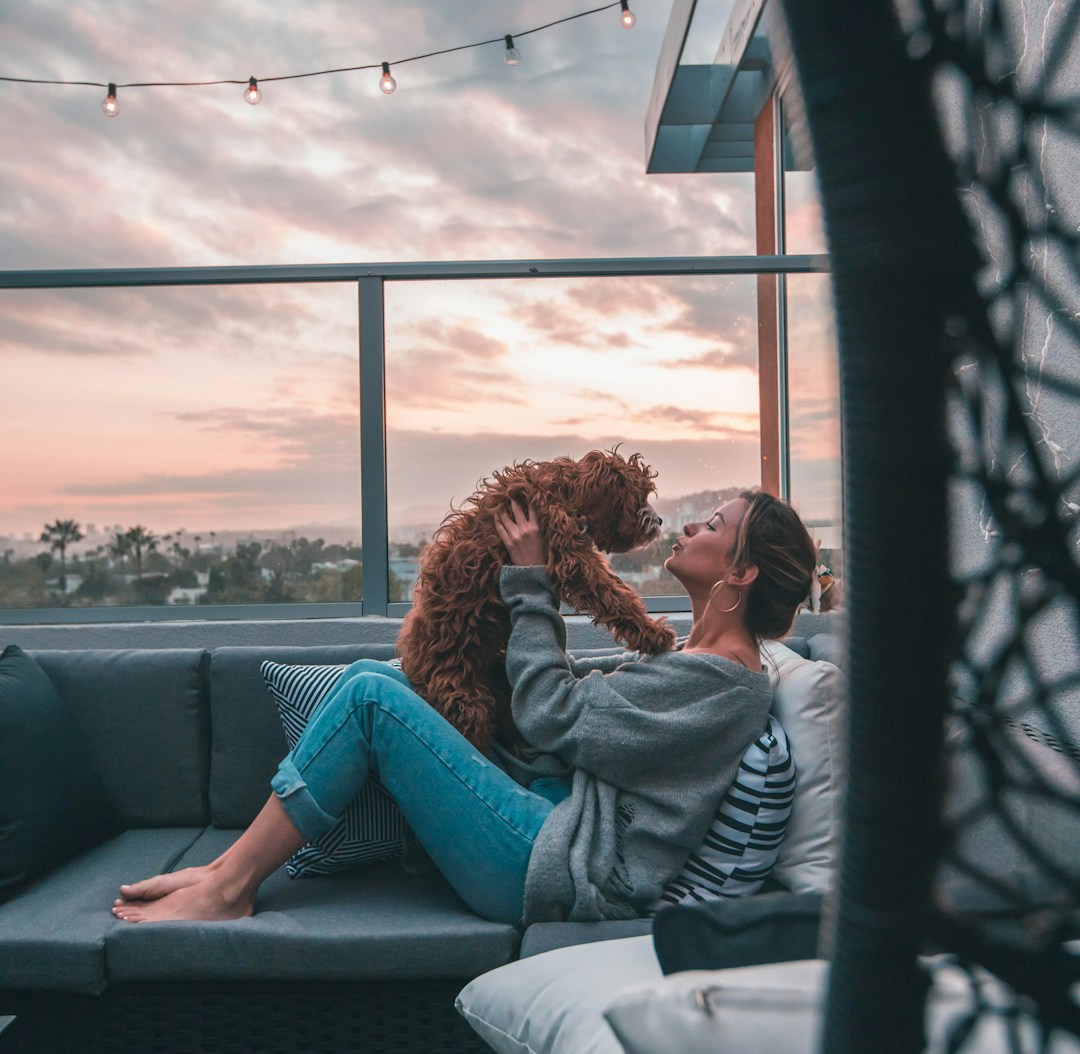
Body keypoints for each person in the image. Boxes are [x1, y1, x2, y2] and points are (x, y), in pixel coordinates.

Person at [112, 489, 815, 926]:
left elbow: (552, 714)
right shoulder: (701, 663)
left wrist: (530, 580)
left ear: (742, 571)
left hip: (548, 864)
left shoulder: (721, 685)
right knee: (372, 674)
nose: (690, 525)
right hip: (552, 815)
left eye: (713, 524)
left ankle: (230, 887)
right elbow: (585, 708)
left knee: (368, 698)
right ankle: (222, 871)